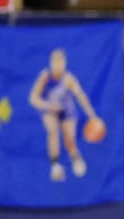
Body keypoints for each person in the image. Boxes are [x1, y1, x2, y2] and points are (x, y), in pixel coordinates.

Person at [28, 48, 99, 181]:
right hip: (48, 108)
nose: (58, 65)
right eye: (55, 61)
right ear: (51, 63)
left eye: (61, 61)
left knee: (69, 138)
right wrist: (48, 105)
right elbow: (33, 98)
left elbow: (80, 96)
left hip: (66, 108)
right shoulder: (44, 77)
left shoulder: (69, 79)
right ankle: (55, 165)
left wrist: (91, 114)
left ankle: (75, 156)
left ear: (65, 63)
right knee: (53, 130)